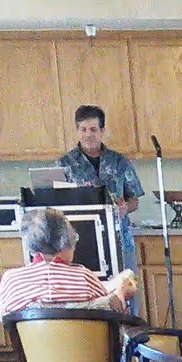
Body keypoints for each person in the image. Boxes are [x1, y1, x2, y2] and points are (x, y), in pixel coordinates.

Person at [0, 208, 137, 318]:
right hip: (89, 353)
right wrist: (120, 293)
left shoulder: (11, 280)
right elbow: (111, 310)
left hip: (35, 354)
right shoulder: (83, 277)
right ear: (65, 243)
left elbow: (3, 315)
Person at [57, 105, 144, 273]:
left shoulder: (120, 161)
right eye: (83, 129)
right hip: (80, 244)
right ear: (77, 131)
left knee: (126, 292)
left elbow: (134, 199)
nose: (88, 134)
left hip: (120, 240)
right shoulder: (64, 165)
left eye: (93, 129)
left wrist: (126, 207)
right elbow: (56, 204)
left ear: (102, 131)